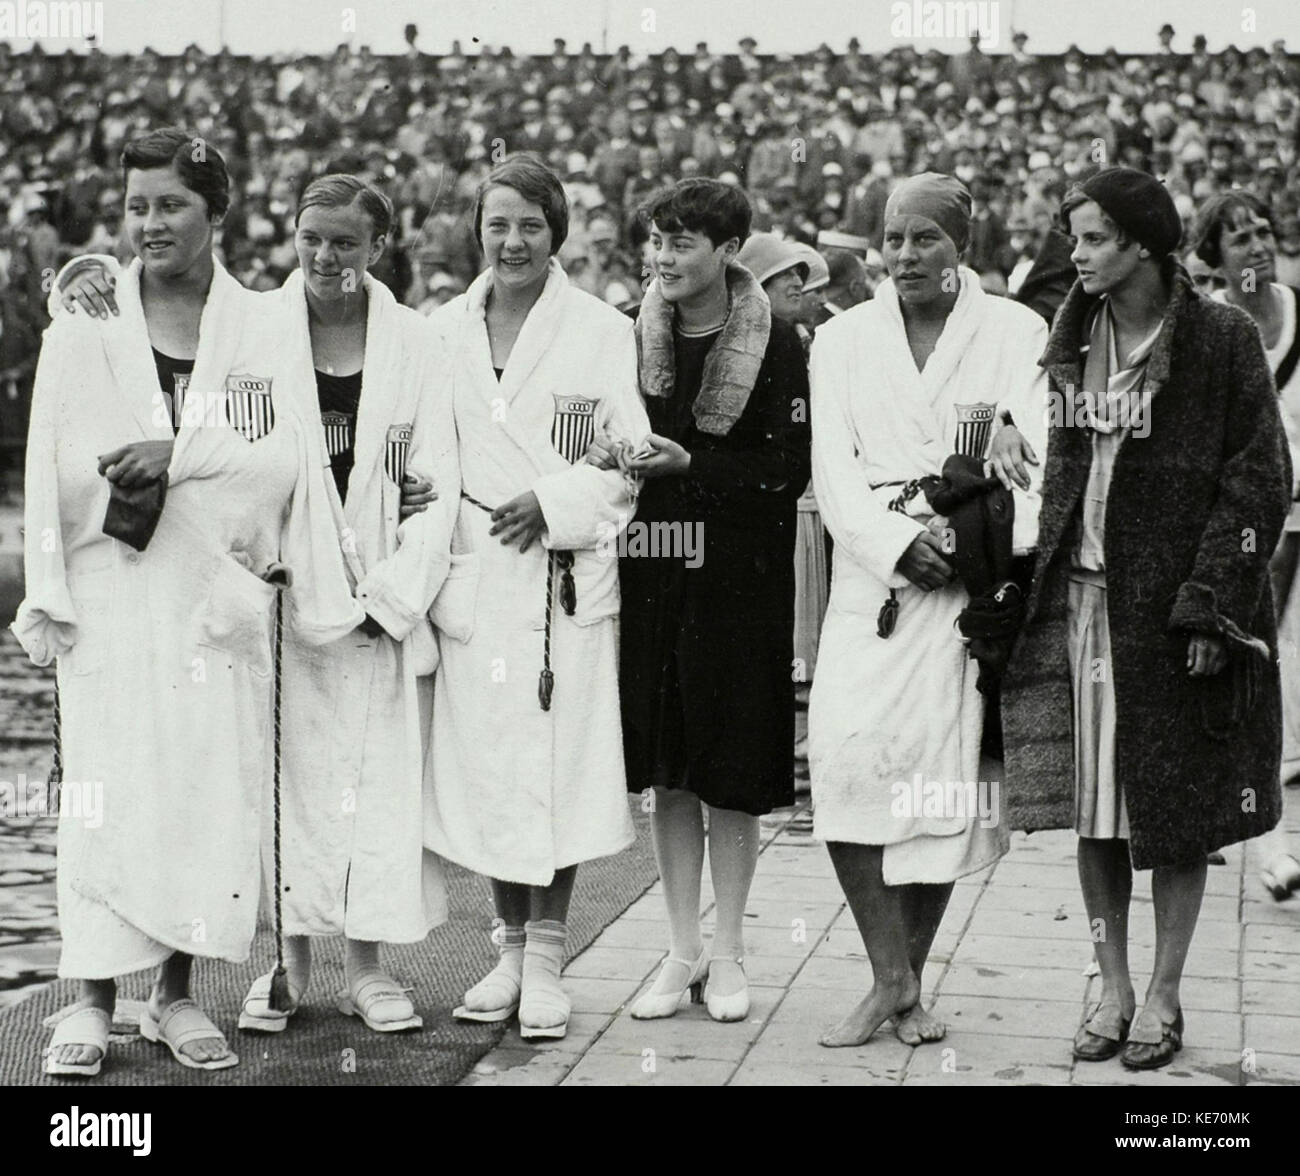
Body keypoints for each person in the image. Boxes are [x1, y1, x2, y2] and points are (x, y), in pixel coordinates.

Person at [15, 127, 361, 1077]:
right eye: (136, 207)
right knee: (104, 797)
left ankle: (171, 996)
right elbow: (50, 464)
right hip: (110, 595)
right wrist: (49, 596)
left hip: (215, 596)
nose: (150, 223)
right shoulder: (84, 319)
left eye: (170, 205)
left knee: (205, 798)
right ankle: (89, 999)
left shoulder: (261, 326)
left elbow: (289, 456)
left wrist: (183, 454)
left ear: (216, 214)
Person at [999, 168, 1291, 1069]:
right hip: (1082, 605)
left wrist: (1209, 607)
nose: (1075, 255)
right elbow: (1040, 434)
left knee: (1175, 814)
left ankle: (1164, 995)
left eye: (1091, 239)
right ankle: (1113, 987)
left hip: (1168, 617)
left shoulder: (1220, 338)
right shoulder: (1072, 332)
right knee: (1093, 819)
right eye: (1072, 237)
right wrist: (1008, 426)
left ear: (1144, 243)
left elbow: (1258, 480)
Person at [808, 172, 1047, 1048]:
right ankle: (890, 975)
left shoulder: (1019, 334)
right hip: (874, 587)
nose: (905, 256)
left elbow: (1036, 463)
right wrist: (892, 545)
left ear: (962, 247)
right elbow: (833, 472)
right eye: (894, 239)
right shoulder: (840, 341)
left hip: (967, 594)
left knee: (945, 787)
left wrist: (968, 540)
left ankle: (908, 976)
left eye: (926, 240)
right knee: (843, 768)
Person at [422, 154, 649, 1040]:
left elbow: (627, 464)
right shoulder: (441, 329)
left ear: (556, 231)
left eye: (529, 225)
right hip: (478, 570)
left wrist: (554, 503)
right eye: (497, 225)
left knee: (557, 771)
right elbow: (422, 450)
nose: (512, 242)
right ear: (476, 231)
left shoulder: (600, 330)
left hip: (561, 578)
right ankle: (507, 948)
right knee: (489, 774)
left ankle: (549, 958)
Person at [235, 175, 459, 1033]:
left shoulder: (416, 344)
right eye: (312, 239)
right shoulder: (254, 332)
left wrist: (394, 597)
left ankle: (368, 968)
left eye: (346, 243)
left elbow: (438, 484)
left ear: (377, 248)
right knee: (282, 782)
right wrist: (263, 559)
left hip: (379, 609)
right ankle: (288, 967)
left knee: (376, 784)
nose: (326, 258)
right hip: (285, 601)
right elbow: (230, 456)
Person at [606, 178, 811, 1022]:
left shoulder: (780, 342)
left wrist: (692, 466)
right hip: (653, 572)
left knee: (727, 770)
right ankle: (679, 946)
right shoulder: (631, 333)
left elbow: (786, 470)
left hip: (739, 580)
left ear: (727, 252)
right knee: (670, 773)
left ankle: (728, 951)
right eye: (656, 241)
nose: (663, 258)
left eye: (682, 242)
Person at [1191, 190, 1300, 899]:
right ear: (1214, 259)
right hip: (1264, 518)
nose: (1258, 246)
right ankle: (1271, 847)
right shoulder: (1218, 330)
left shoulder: (1296, 305)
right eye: (1239, 240)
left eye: (1263, 231)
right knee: (1260, 666)